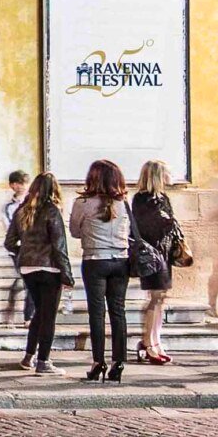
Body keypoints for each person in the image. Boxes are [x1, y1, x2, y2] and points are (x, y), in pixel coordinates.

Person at [68, 158, 131, 381]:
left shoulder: (82, 203)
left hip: (95, 260)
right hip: (121, 260)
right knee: (118, 312)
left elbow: (75, 231)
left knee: (97, 313)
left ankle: (98, 361)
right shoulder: (124, 204)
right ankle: (119, 361)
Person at [5, 172, 74, 375]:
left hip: (28, 269)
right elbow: (59, 246)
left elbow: (9, 242)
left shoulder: (22, 210)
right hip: (49, 269)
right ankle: (43, 360)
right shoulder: (52, 211)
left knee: (39, 313)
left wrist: (24, 254)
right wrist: (67, 274)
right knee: (48, 316)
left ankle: (29, 356)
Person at [130, 160, 180, 364]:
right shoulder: (142, 199)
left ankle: (154, 340)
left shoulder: (163, 198)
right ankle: (148, 342)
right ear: (157, 175)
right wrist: (165, 220)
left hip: (164, 253)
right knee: (155, 296)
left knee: (161, 297)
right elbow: (145, 227)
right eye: (167, 173)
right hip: (151, 255)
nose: (170, 176)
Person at [0, 169, 31, 324]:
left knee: (28, 281)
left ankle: (28, 315)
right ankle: (26, 316)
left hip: (30, 247)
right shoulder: (8, 207)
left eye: (24, 183)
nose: (22, 186)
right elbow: (8, 226)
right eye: (18, 183)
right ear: (12, 185)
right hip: (17, 248)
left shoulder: (33, 203)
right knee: (26, 280)